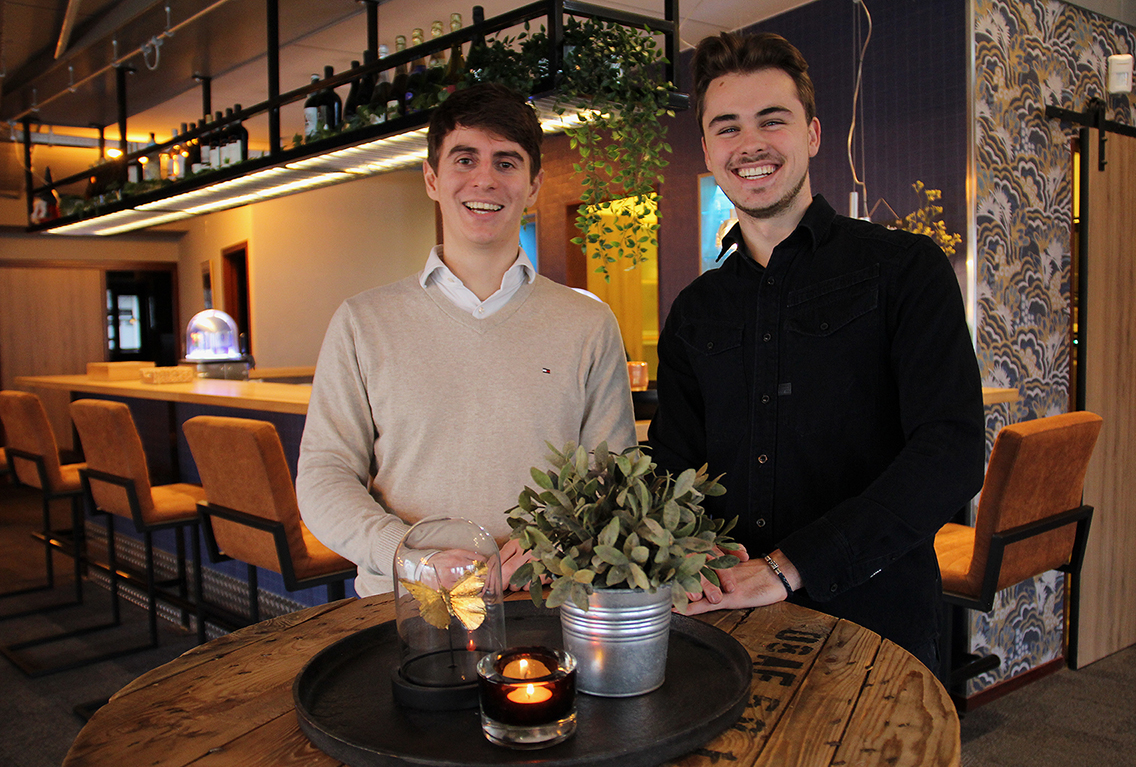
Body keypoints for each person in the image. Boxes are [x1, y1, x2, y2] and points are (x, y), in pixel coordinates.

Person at [648, 32, 984, 670]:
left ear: (813, 134)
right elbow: (674, 466)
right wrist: (690, 551)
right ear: (709, 151)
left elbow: (952, 451)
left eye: (772, 120)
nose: (749, 144)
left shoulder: (904, 269)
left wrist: (792, 566)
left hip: (875, 618)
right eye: (728, 127)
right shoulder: (696, 310)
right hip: (727, 618)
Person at [297, 83, 636, 598]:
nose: (485, 179)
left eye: (506, 162)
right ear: (432, 178)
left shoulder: (588, 322)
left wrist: (553, 544)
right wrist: (407, 553)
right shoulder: (362, 322)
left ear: (534, 184)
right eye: (464, 159)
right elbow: (324, 476)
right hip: (402, 602)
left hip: (544, 597)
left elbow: (612, 477)